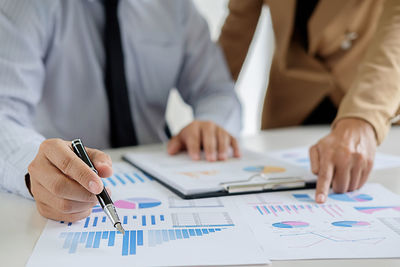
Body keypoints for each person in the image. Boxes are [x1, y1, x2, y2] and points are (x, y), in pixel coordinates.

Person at [0, 0, 241, 222]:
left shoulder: (175, 6)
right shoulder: (26, 6)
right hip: (67, 184)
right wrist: (35, 167)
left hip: (161, 175)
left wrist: (212, 123)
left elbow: (217, 91)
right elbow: (4, 113)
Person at [219, 0, 400, 203]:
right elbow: (238, 25)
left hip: (370, 94)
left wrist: (365, 116)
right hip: (292, 102)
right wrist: (213, 113)